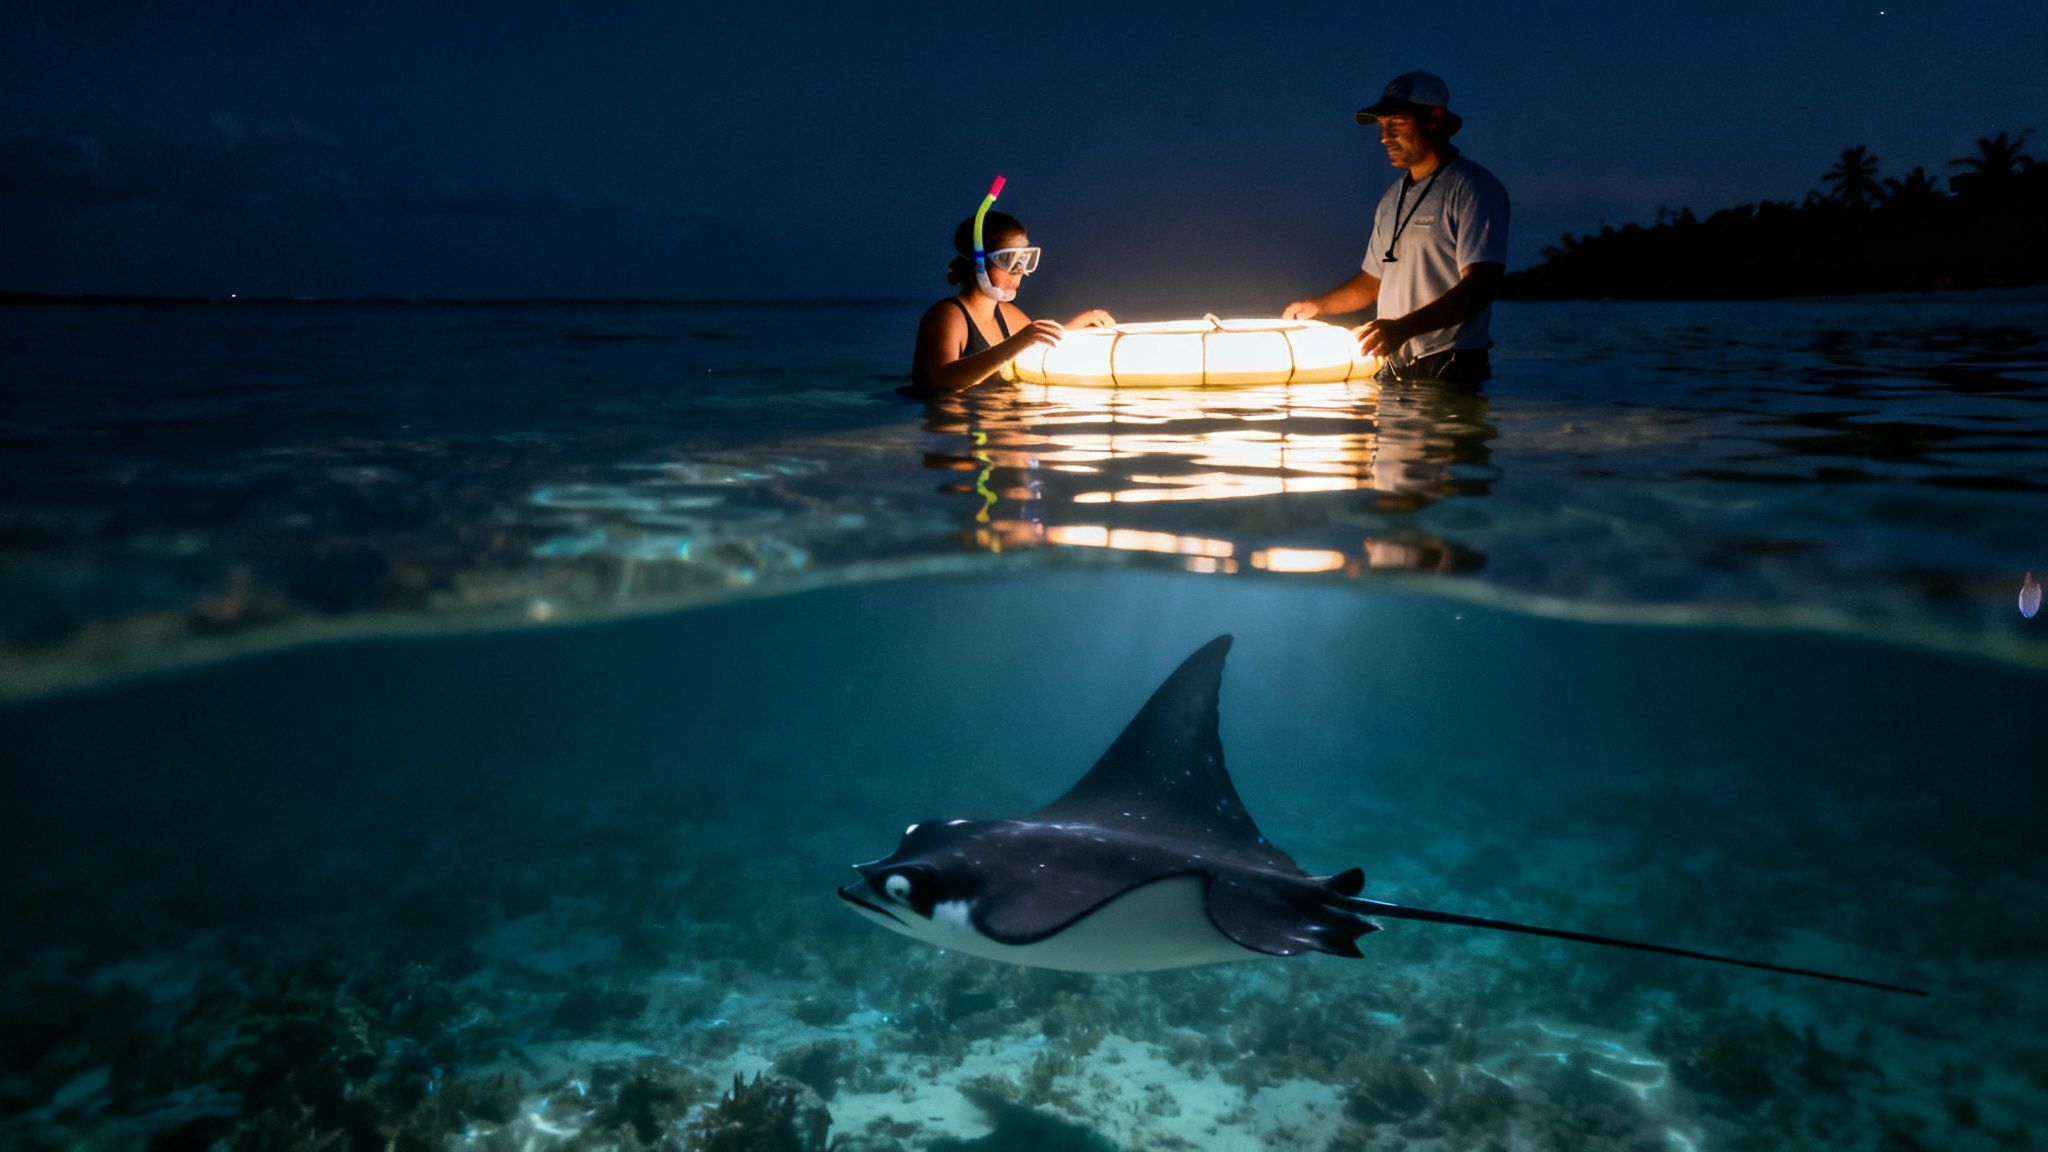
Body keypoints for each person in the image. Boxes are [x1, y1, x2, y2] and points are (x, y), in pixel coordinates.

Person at [1284, 71, 1509, 386]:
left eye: (1396, 124)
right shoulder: (1392, 199)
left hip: (1451, 365)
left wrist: (1402, 328)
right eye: (1381, 127)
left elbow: (1482, 285)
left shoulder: (1473, 188)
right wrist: (1318, 305)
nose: (1384, 137)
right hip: (1395, 364)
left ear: (1433, 119)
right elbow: (1374, 279)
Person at [907, 210, 1115, 394]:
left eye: (1024, 259)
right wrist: (1016, 343)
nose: (1020, 270)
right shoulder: (948, 315)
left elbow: (1037, 341)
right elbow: (941, 379)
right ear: (978, 263)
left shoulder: (1007, 314)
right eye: (1009, 260)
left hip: (988, 421)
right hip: (952, 431)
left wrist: (1079, 324)